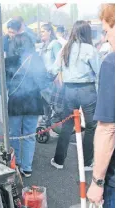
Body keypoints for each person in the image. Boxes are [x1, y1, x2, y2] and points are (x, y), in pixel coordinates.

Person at [50, 20, 100, 170]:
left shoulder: (65, 48)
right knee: (91, 126)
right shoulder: (90, 49)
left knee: (67, 125)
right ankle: (86, 162)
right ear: (87, 33)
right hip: (87, 90)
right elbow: (99, 71)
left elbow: (53, 69)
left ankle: (59, 161)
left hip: (69, 90)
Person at [6, 30, 51, 178]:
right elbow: (44, 81)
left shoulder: (9, 60)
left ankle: (16, 163)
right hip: (32, 102)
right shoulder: (36, 59)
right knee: (29, 136)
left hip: (15, 102)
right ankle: (27, 167)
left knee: (14, 135)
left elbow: (3, 83)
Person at [87, 4, 115, 208]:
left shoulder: (111, 63)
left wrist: (97, 181)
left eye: (106, 31)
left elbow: (108, 128)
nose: (105, 38)